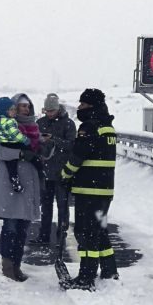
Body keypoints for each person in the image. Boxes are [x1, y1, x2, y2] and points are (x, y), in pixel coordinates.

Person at [60, 88, 117, 291]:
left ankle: (86, 277)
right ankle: (110, 269)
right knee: (99, 231)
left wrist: (65, 175)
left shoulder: (89, 127)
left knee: (85, 233)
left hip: (89, 190)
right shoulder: (107, 127)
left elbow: (78, 156)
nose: (80, 108)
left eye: (83, 105)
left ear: (91, 106)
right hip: (104, 191)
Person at [0, 93, 43, 282]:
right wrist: (20, 153)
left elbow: (37, 150)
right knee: (11, 226)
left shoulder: (34, 127)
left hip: (29, 184)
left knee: (23, 228)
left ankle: (17, 264)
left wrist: (45, 148)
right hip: (10, 184)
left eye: (28, 106)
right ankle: (8, 267)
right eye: (22, 106)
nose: (25, 109)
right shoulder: (3, 124)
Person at [35, 93, 77, 244]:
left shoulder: (68, 124)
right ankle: (43, 235)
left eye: (51, 111)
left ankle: (62, 236)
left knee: (63, 207)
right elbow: (34, 144)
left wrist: (53, 139)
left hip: (62, 173)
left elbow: (72, 146)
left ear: (58, 109)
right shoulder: (40, 123)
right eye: (47, 111)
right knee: (45, 208)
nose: (49, 114)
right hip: (45, 172)